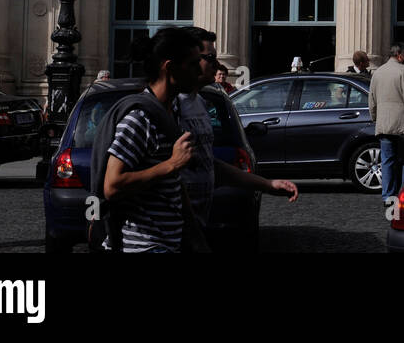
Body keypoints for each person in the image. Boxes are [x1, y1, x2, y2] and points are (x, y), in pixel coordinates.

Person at [177, 28, 298, 230]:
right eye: (210, 58)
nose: (217, 66)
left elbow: (208, 164)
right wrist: (171, 165)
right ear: (187, 60)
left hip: (192, 228)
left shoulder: (199, 103)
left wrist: (268, 185)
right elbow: (116, 183)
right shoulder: (166, 107)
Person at [100, 28, 204, 253]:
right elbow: (112, 185)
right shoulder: (140, 119)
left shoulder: (172, 112)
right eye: (193, 64)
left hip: (167, 245)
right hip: (141, 247)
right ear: (170, 68)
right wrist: (172, 164)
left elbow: (175, 184)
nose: (199, 71)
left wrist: (194, 235)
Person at [368, 43, 404, 201]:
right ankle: (403, 194)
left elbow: (372, 99)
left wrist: (375, 117)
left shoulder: (378, 73)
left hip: (384, 123)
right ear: (400, 55)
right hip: (401, 124)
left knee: (387, 161)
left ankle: (387, 196)